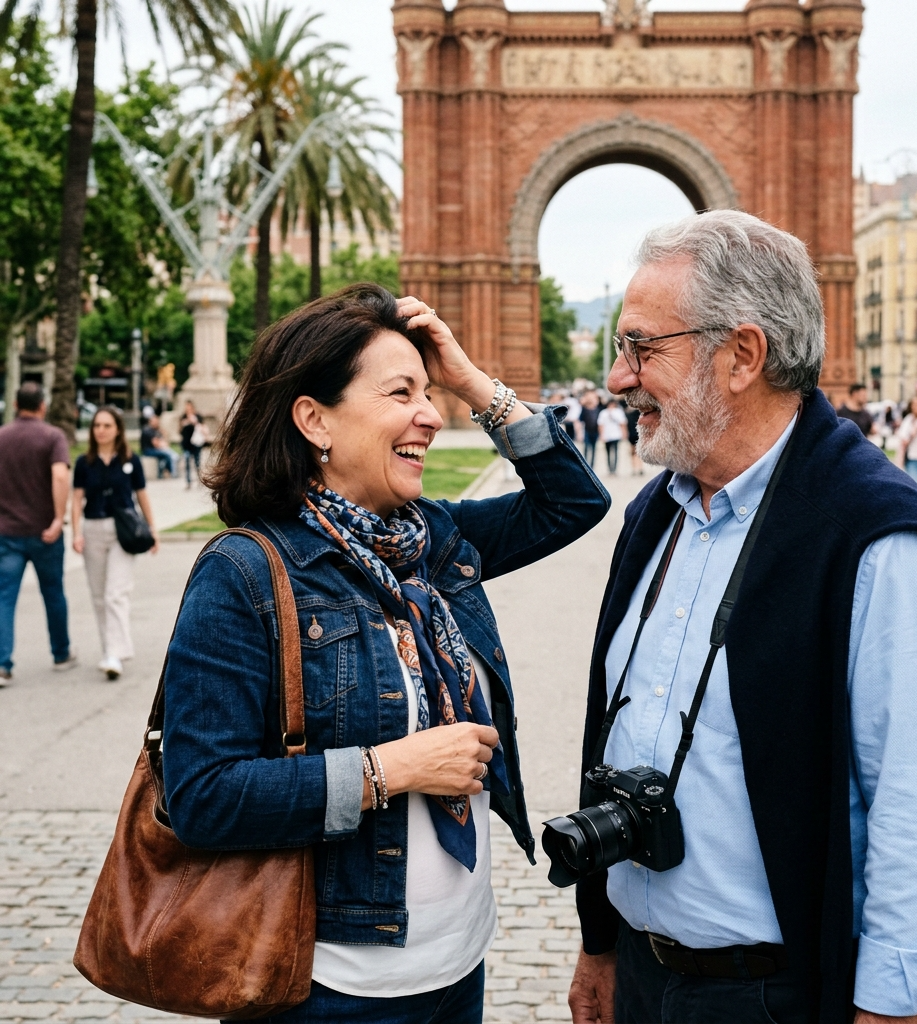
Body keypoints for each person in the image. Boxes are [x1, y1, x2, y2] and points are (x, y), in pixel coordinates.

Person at [568, 211, 917, 1024]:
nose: (618, 378)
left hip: (773, 997)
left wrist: (892, 1009)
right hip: (644, 977)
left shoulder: (875, 539)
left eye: (641, 348)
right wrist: (601, 945)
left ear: (742, 355)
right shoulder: (656, 512)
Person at [160, 284, 610, 1023]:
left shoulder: (431, 539)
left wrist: (472, 382)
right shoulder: (244, 573)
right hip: (330, 990)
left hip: (458, 967)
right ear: (315, 419)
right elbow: (203, 797)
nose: (429, 414)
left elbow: (574, 501)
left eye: (429, 393)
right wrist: (391, 769)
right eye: (402, 393)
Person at [71, 407, 159, 681]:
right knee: (99, 596)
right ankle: (109, 650)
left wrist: (152, 529)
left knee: (115, 593)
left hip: (123, 532)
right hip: (93, 529)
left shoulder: (130, 460)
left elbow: (142, 495)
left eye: (107, 425)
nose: (101, 430)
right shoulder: (84, 462)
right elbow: (77, 499)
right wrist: (76, 532)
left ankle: (115, 654)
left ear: (117, 429)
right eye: (97, 425)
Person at [0, 382, 76, 683]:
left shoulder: (2, 437)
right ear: (42, 405)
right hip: (46, 533)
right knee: (53, 593)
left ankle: (2, 664)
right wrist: (59, 518)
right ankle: (61, 653)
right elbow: (60, 476)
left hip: (7, 533)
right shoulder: (52, 436)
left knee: (4, 598)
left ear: (16, 405)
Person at [178, 400, 207, 489]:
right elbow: (179, 430)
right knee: (187, 462)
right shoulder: (183, 417)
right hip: (186, 443)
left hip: (196, 443)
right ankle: (188, 482)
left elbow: (202, 428)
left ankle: (199, 481)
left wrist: (194, 422)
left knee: (197, 462)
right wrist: (184, 423)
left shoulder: (197, 416)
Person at [140, 413, 177, 478]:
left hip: (155, 449)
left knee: (166, 456)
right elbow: (155, 444)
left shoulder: (156, 430)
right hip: (148, 450)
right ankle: (172, 472)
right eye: (155, 421)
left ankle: (161, 473)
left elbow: (166, 442)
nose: (157, 423)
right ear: (151, 422)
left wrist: (164, 434)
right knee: (167, 455)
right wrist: (164, 446)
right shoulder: (148, 430)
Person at [597, 398, 628, 475]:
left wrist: (624, 433)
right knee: (608, 452)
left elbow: (623, 423)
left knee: (615, 451)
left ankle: (614, 469)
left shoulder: (618, 412)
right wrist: (602, 435)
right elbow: (600, 425)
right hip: (607, 435)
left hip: (616, 435)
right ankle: (610, 469)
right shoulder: (603, 413)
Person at [579, 389, 602, 469]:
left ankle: (592, 465)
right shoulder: (584, 408)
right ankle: (585, 464)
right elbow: (580, 420)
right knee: (586, 448)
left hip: (595, 431)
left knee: (594, 449)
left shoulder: (598, 408)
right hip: (587, 430)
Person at [625, 404, 643, 476]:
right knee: (633, 453)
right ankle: (635, 468)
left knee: (638, 453)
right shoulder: (628, 413)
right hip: (632, 435)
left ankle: (639, 468)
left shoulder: (636, 413)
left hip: (637, 435)